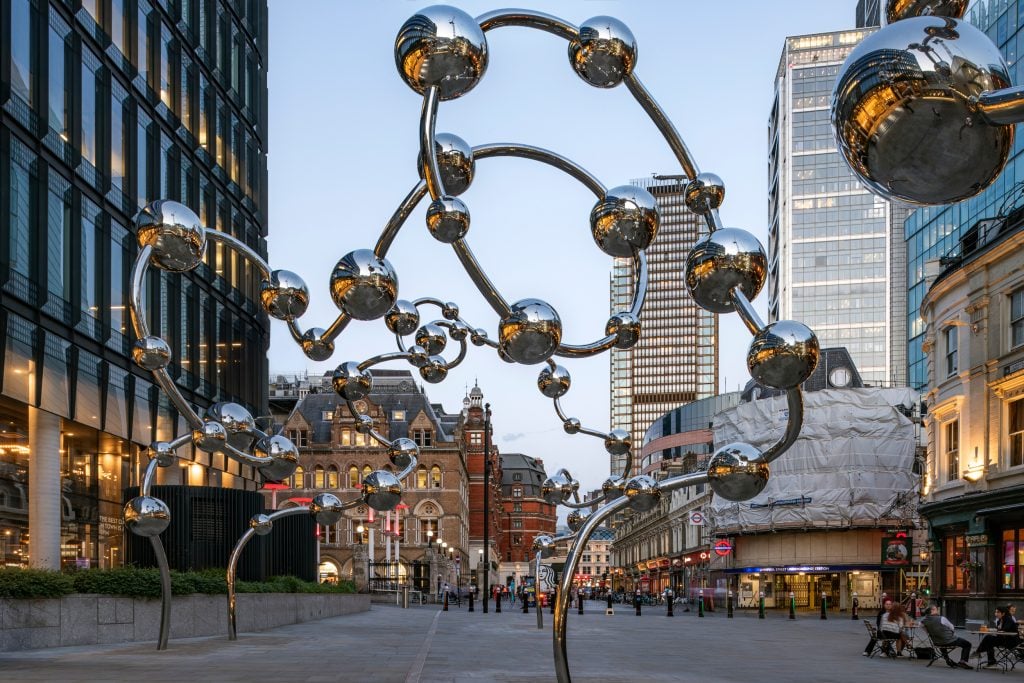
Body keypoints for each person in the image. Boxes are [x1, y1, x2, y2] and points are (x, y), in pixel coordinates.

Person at [920, 605, 973, 669]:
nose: (937, 610)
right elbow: (952, 627)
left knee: (942, 642)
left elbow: (926, 631)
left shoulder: (922, 622)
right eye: (936, 609)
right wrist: (950, 633)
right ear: (932, 611)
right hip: (949, 640)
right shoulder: (941, 618)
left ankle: (947, 659)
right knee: (967, 644)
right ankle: (962, 662)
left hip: (936, 642)